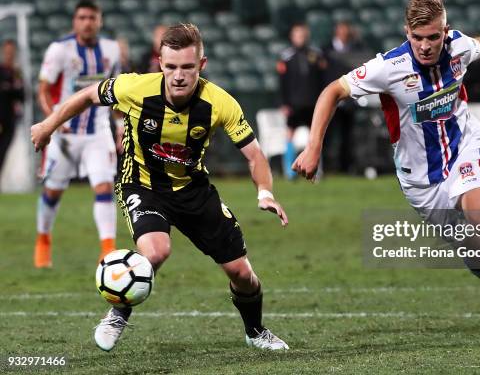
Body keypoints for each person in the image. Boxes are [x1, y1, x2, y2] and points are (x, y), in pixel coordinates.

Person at [293, 0, 480, 335]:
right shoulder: (389, 68)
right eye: (418, 38)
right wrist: (314, 148)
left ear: (446, 32)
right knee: (475, 256)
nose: (426, 45)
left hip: (463, 149)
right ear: (407, 33)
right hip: (421, 182)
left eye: (434, 37)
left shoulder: (458, 47)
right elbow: (332, 91)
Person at [31, 23, 290, 351]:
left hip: (193, 190)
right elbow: (86, 95)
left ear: (202, 65)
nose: (178, 75)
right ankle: (117, 314)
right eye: (171, 67)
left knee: (241, 273)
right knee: (156, 251)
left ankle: (255, 332)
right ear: (159, 62)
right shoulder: (136, 88)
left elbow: (254, 155)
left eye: (187, 67)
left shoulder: (220, 103)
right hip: (142, 184)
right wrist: (47, 126)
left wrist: (265, 192)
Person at [34, 0, 121, 268]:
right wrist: (53, 121)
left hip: (98, 132)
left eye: (92, 18)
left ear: (100, 21)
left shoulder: (112, 50)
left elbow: (116, 91)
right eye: (82, 17)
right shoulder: (60, 49)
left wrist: (119, 126)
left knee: (105, 187)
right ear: (75, 21)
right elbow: (43, 89)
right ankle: (43, 240)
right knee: (52, 192)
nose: (87, 23)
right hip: (65, 134)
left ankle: (107, 250)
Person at [277, 22, 326, 179]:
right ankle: (290, 171)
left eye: (303, 35)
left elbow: (322, 80)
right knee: (290, 133)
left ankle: (316, 170)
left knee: (316, 135)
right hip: (294, 103)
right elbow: (282, 83)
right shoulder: (286, 57)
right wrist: (284, 103)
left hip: (313, 102)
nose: (301, 38)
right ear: (292, 37)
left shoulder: (316, 55)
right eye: (298, 35)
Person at [322, 21, 366, 173]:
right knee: (326, 133)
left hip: (348, 99)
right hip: (331, 97)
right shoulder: (325, 50)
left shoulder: (356, 49)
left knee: (347, 134)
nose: (344, 33)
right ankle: (325, 165)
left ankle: (345, 166)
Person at [0, 39, 24, 175]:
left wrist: (9, 89)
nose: (9, 54)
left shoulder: (16, 72)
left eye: (12, 52)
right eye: (7, 51)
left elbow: (23, 95)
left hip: (10, 120)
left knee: (3, 152)